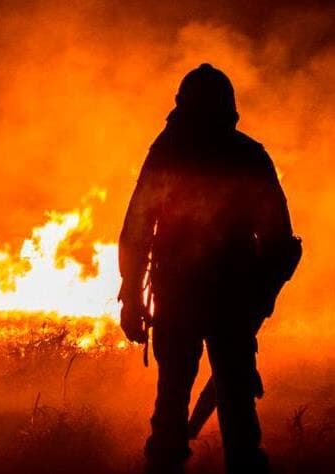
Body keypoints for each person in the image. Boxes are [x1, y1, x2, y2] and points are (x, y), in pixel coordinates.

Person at [118, 63, 297, 473]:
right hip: (225, 302)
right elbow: (279, 244)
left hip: (188, 297)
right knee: (235, 412)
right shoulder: (247, 155)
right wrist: (258, 298)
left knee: (175, 404)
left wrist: (131, 296)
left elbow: (137, 228)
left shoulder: (167, 152)